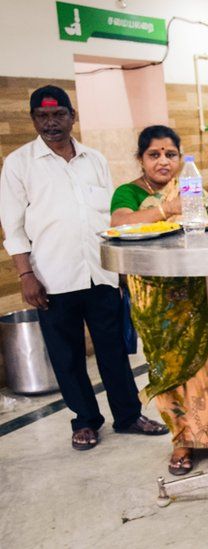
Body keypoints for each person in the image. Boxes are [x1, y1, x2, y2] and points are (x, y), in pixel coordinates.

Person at [0, 85, 167, 450]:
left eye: (58, 114)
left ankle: (128, 415)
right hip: (52, 276)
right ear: (33, 120)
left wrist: (119, 266)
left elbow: (108, 218)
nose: (51, 122)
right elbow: (12, 228)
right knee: (67, 354)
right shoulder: (19, 164)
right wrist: (26, 276)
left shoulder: (94, 159)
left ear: (72, 116)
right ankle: (85, 420)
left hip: (100, 272)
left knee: (114, 350)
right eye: (42, 116)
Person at [110, 125, 208, 474]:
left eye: (170, 154)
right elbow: (120, 224)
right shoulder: (127, 192)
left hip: (197, 293)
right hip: (155, 300)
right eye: (154, 154)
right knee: (170, 372)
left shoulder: (192, 188)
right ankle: (183, 441)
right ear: (140, 159)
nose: (163, 161)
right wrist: (166, 208)